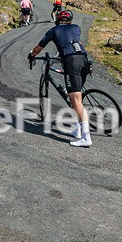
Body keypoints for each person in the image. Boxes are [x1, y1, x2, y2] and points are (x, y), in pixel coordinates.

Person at [28, 10, 92, 147]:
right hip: (84, 60)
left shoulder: (53, 30)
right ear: (70, 20)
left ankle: (86, 138)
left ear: (57, 20)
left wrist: (32, 55)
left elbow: (38, 48)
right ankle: (77, 130)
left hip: (71, 62)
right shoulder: (76, 27)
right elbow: (72, 41)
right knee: (77, 98)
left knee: (76, 101)